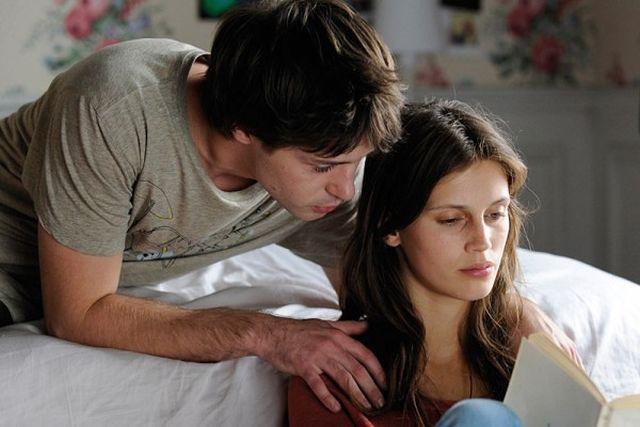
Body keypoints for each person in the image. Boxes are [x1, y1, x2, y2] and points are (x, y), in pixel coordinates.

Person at [0, 0, 576, 415]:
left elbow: (386, 284)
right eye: (323, 167)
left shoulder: (331, 161)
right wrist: (270, 335)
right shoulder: (114, 110)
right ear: (243, 129)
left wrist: (513, 310)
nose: (346, 191)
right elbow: (79, 313)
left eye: (358, 162)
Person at [288, 100, 575, 426]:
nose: (482, 241)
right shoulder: (336, 377)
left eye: (496, 214)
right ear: (391, 227)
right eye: (452, 219)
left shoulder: (533, 357)